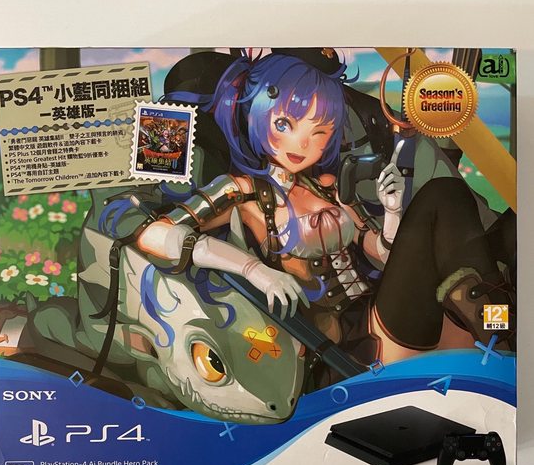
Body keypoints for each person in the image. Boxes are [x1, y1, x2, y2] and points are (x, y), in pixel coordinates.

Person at [128, 49, 513, 376]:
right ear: (257, 114)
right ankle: (500, 331)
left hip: (386, 312)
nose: (301, 144)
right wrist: (254, 270)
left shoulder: (327, 183)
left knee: (450, 198)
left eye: (320, 131)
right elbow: (153, 234)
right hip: (345, 351)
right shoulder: (241, 191)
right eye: (284, 124)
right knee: (443, 196)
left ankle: (499, 327)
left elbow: (379, 252)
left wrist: (394, 215)